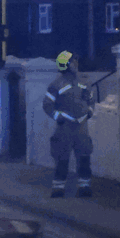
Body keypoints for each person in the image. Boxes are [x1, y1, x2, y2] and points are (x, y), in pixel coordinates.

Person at [43, 50, 94, 198]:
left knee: (84, 158)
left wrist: (89, 111)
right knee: (61, 159)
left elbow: (90, 99)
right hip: (64, 127)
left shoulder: (84, 81)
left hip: (81, 127)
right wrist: (58, 117)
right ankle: (58, 189)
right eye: (73, 61)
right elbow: (47, 105)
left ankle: (85, 187)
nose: (76, 64)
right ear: (66, 64)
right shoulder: (56, 85)